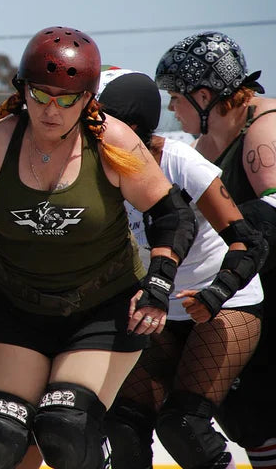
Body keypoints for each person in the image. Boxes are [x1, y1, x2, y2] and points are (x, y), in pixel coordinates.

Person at [0, 26, 198, 469]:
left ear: (89, 98)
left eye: (66, 98)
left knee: (64, 428)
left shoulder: (112, 141)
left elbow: (172, 215)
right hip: (16, 305)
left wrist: (157, 283)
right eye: (41, 95)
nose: (51, 110)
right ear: (23, 90)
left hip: (102, 308)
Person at [97, 68, 266, 469]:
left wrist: (215, 293)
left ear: (131, 125)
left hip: (226, 302)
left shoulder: (180, 162)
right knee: (123, 426)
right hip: (159, 303)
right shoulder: (98, 167)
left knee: (183, 426)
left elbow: (248, 242)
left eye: (98, 122)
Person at [155, 31, 276, 469]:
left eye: (175, 97)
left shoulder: (264, 132)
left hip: (258, 288)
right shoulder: (207, 144)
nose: (171, 108)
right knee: (243, 418)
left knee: (256, 415)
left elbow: (271, 215)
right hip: (247, 285)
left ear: (204, 96)